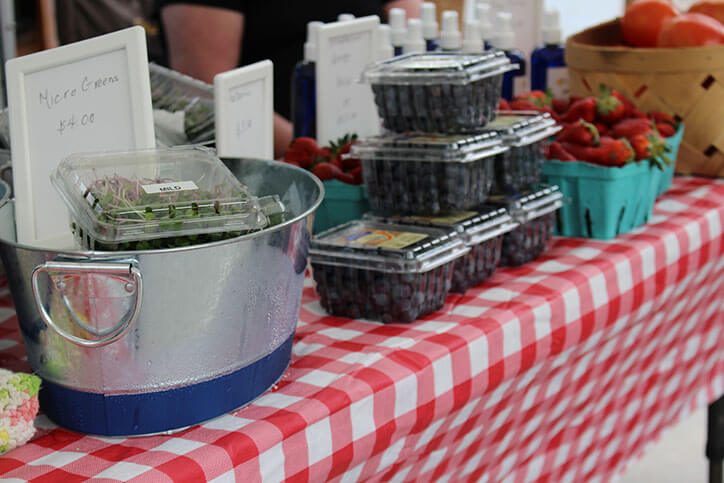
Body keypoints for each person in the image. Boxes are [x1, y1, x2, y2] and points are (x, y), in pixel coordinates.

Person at [158, 1, 422, 158]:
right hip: (271, 169)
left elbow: (414, 36)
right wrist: (317, 157)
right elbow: (205, 91)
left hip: (371, 150)